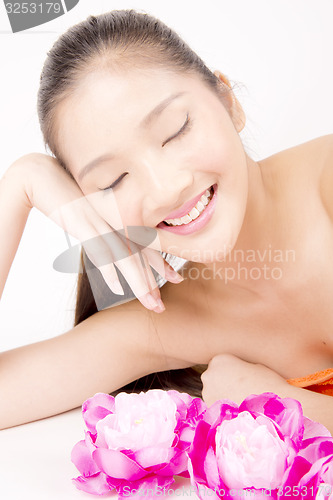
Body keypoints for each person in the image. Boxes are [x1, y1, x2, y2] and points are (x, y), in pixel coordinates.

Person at [0, 9, 332, 433]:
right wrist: (22, 183)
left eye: (175, 130)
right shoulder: (160, 323)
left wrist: (272, 403)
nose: (164, 189)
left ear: (229, 104)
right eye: (112, 181)